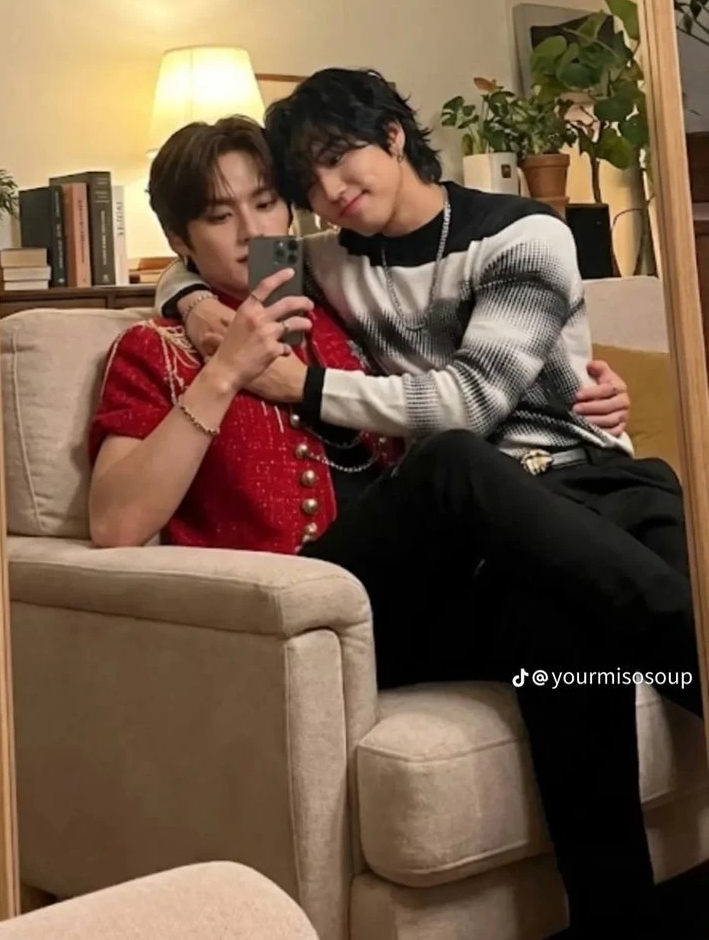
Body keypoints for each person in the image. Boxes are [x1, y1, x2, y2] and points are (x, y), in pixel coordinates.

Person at [90, 113, 691, 938]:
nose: (252, 231)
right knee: (450, 461)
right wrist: (222, 367)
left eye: (266, 204)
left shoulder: (335, 313)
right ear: (181, 239)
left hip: (407, 604)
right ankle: (689, 640)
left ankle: (615, 920)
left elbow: (466, 376)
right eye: (220, 216)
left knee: (558, 614)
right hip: (300, 610)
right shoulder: (154, 350)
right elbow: (116, 521)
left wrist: (577, 392)